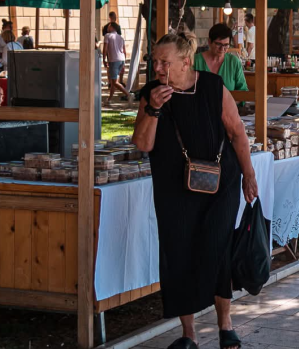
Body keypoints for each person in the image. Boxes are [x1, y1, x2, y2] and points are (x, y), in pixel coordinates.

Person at [132, 31, 257, 349]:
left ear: (186, 61)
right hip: (174, 188)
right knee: (178, 253)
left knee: (216, 249)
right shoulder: (151, 93)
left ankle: (225, 324)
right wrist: (153, 111)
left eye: (165, 62)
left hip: (220, 184)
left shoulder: (213, 87)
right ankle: (188, 334)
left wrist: (248, 175)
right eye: (155, 61)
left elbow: (237, 133)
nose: (158, 68)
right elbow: (144, 144)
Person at [194, 24, 249, 92]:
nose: (222, 48)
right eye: (218, 44)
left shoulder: (234, 62)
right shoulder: (195, 61)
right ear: (209, 42)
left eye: (226, 45)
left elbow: (243, 91)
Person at [103, 24, 131, 101]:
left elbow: (105, 49)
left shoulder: (107, 36)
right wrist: (124, 63)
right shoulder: (121, 38)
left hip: (114, 60)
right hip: (121, 60)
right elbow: (124, 51)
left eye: (109, 26)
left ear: (112, 27)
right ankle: (109, 100)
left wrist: (104, 59)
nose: (107, 28)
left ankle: (129, 94)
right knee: (113, 81)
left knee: (115, 82)